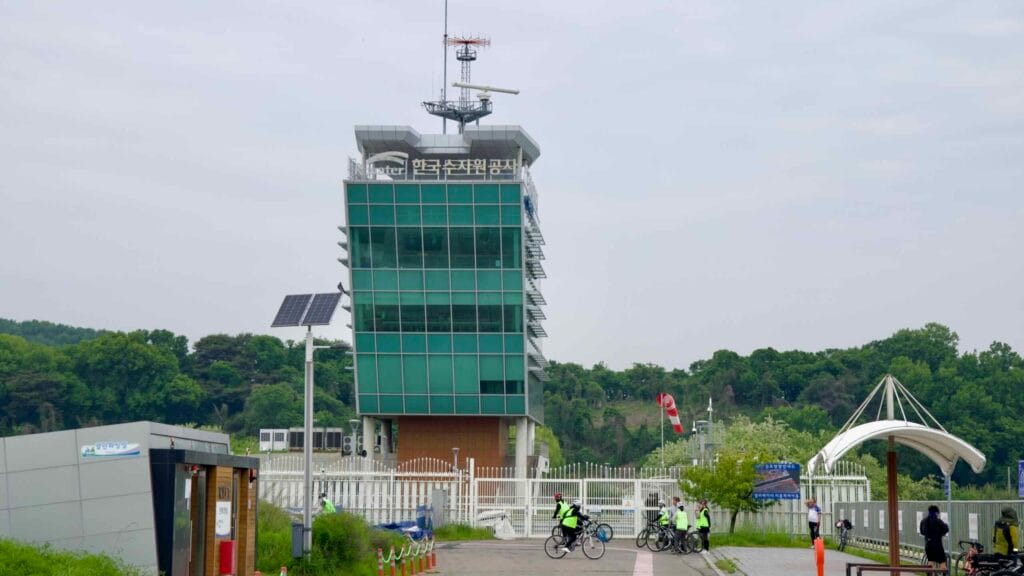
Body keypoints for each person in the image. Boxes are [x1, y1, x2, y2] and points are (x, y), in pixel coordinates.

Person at [919, 504, 949, 570]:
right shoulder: (938, 521)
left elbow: (922, 532)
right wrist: (946, 526)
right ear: (936, 512)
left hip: (928, 545)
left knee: (930, 563)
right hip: (937, 546)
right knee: (942, 564)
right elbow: (946, 529)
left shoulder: (923, 521)